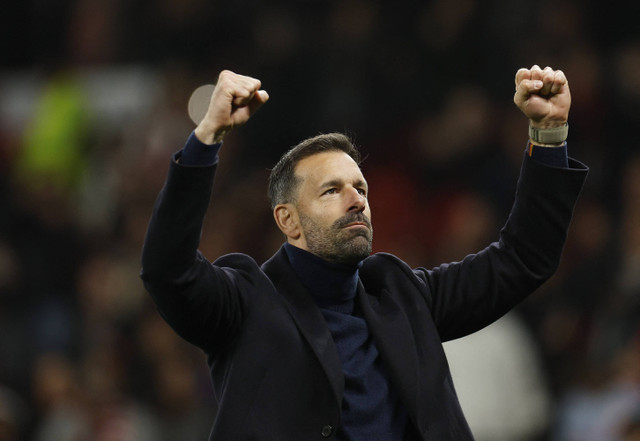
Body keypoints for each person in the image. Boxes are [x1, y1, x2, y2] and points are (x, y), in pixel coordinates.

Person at [141, 66, 588, 441]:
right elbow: (168, 271)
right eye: (331, 190)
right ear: (287, 220)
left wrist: (548, 136)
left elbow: (523, 258)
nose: (356, 200)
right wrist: (206, 139)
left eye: (361, 188)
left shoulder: (403, 293)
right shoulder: (245, 300)